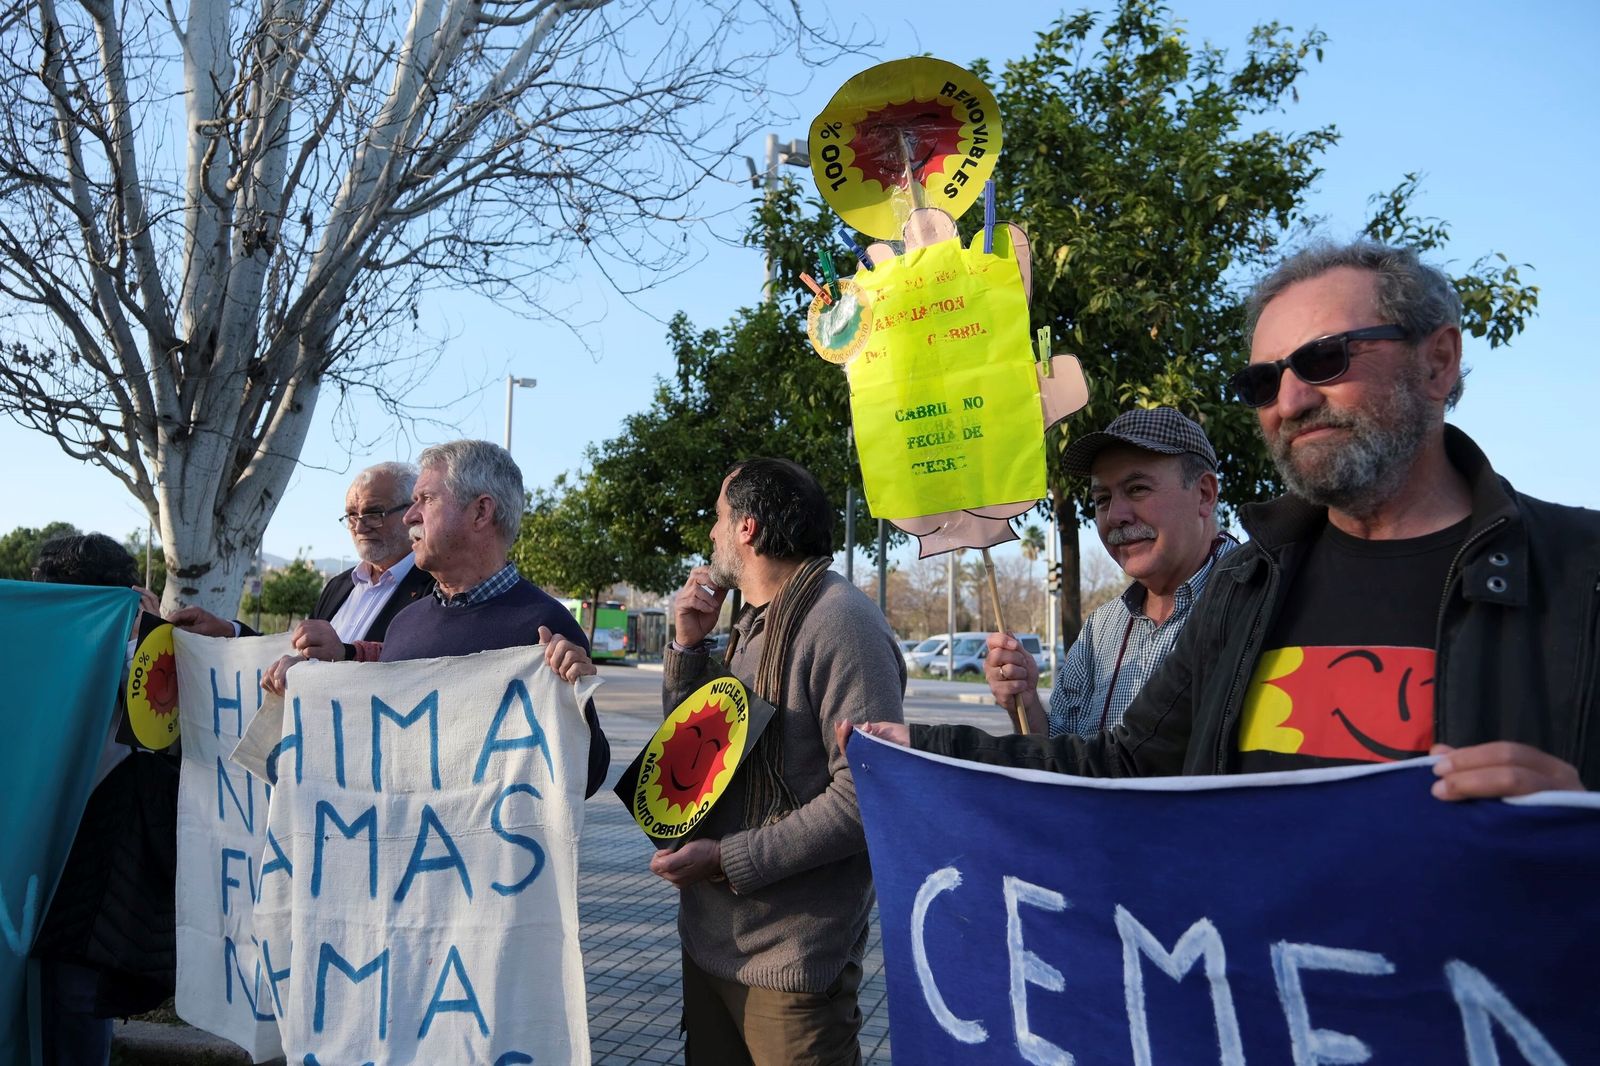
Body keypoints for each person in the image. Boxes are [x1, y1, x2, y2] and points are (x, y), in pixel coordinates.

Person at [860, 239, 1597, 800]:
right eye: (1263, 380)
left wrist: (1575, 824)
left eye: (1325, 359)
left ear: (1437, 363)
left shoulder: (1580, 571)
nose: (1290, 400)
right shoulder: (1251, 588)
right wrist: (920, 750)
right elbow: (1124, 767)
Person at [655, 458, 905, 1065]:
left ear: (747, 528)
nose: (711, 532)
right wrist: (688, 646)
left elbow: (866, 798)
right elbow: (691, 755)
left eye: (718, 516)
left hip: (790, 966)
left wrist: (727, 858)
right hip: (710, 944)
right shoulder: (749, 625)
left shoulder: (841, 622)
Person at [262, 440, 609, 795]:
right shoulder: (406, 624)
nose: (410, 516)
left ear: (480, 512)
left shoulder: (544, 627)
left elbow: (586, 779)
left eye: (426, 499)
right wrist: (308, 683)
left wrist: (575, 704)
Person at [985, 407, 1235, 736]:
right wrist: (1026, 704)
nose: (1116, 516)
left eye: (1137, 489)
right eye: (1103, 499)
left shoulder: (1258, 603)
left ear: (1204, 494)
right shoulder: (1101, 629)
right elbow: (1062, 754)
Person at [29, 534, 173, 1066]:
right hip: (38, 858)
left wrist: (147, 638)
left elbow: (156, 733)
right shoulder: (31, 651)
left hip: (95, 871)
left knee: (75, 1004)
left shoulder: (150, 655)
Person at [168, 462, 433, 657]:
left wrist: (345, 654)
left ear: (411, 513)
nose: (360, 527)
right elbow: (298, 653)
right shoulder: (340, 585)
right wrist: (229, 632)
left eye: (374, 513)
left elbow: (416, 671)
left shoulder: (436, 588)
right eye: (352, 515)